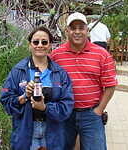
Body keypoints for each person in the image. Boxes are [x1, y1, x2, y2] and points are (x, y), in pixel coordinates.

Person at [50, 12, 118, 150]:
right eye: (73, 28)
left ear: (87, 30)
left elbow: (110, 85)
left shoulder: (101, 54)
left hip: (91, 115)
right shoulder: (56, 55)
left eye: (81, 28)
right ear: (67, 31)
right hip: (65, 114)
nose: (77, 32)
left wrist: (99, 110)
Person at [0, 26, 74, 150]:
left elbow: (67, 106)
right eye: (36, 42)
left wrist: (45, 107)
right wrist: (24, 97)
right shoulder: (18, 71)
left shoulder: (60, 73)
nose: (40, 45)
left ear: (50, 45)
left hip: (52, 133)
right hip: (26, 131)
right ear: (30, 45)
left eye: (44, 42)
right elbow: (6, 101)